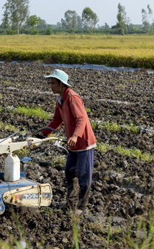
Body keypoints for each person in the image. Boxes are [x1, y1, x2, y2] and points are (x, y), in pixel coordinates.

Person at [38, 69, 96, 216]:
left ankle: (82, 207)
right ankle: (70, 203)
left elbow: (81, 119)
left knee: (84, 175)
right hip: (73, 144)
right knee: (70, 172)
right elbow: (57, 121)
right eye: (49, 83)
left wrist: (76, 135)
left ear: (62, 84)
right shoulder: (60, 99)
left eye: (52, 83)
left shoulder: (72, 98)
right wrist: (42, 134)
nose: (50, 86)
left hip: (84, 143)